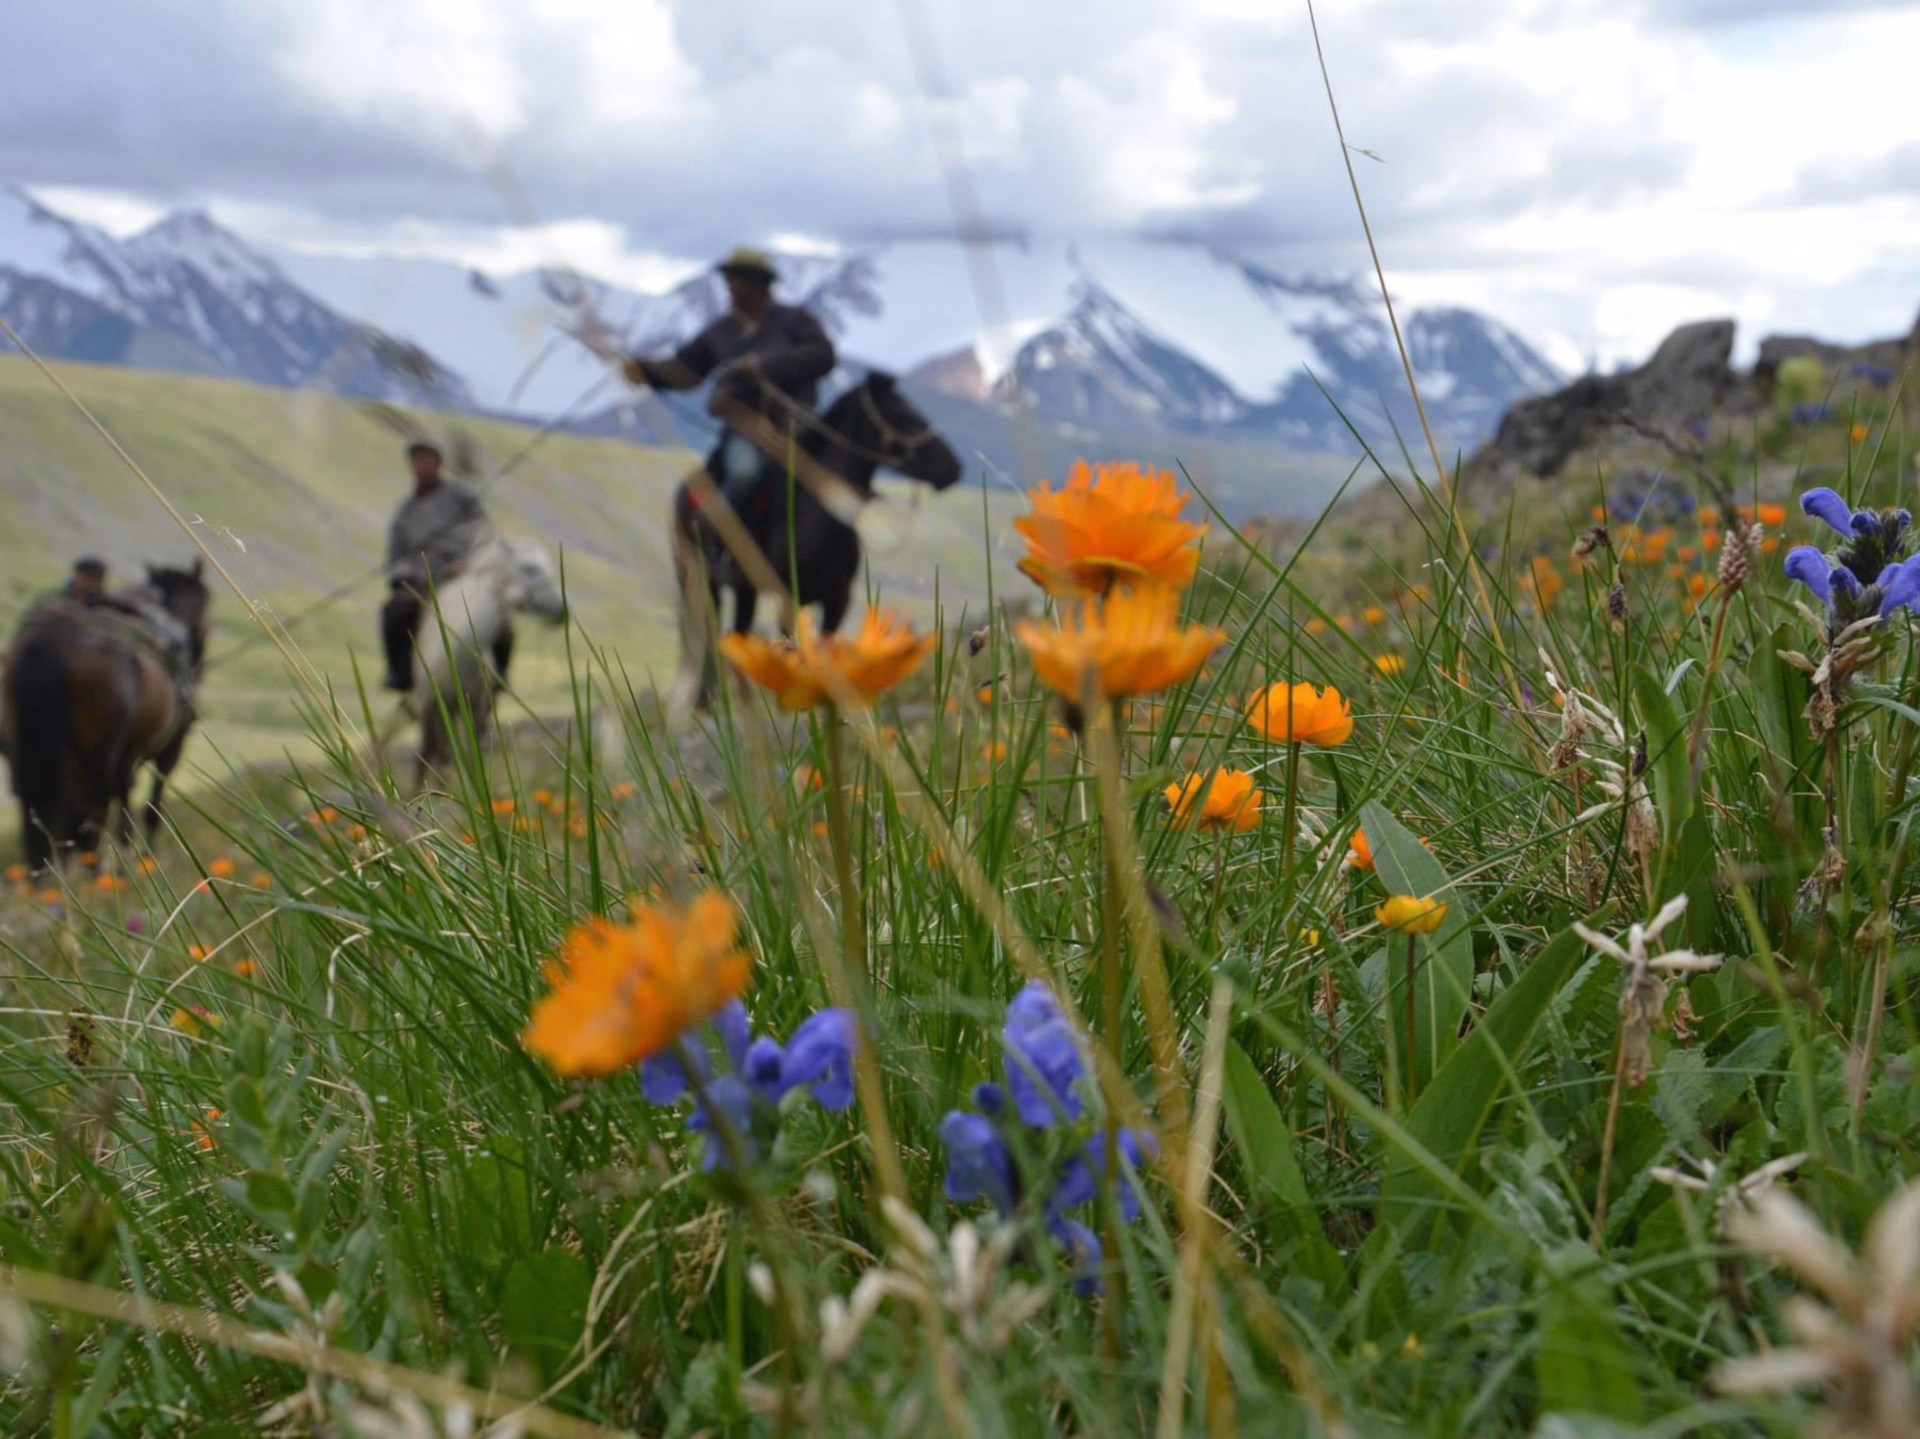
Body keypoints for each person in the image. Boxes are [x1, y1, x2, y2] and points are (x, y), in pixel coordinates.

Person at [622, 246, 837, 523]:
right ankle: (718, 533)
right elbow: (685, 372)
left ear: (759, 285)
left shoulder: (795, 322)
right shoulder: (720, 331)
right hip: (744, 432)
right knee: (744, 473)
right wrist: (643, 371)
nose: (730, 288)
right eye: (730, 280)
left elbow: (823, 355)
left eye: (738, 280)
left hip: (798, 426)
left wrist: (762, 364)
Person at [380, 440, 505, 692]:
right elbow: (396, 558)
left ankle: (499, 675)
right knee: (393, 612)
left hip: (464, 574)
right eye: (417, 461)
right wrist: (406, 576)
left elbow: (482, 531)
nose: (422, 466)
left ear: (439, 464)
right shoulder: (405, 513)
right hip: (423, 582)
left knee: (501, 614)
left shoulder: (462, 498)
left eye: (427, 460)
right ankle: (401, 674)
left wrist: (467, 562)